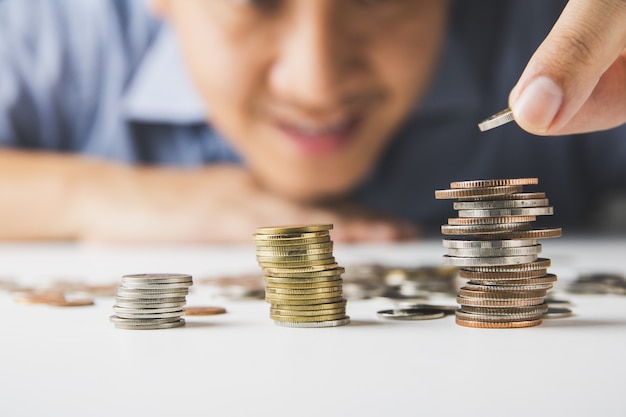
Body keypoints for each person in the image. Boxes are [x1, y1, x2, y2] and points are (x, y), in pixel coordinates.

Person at [0, 0, 624, 243]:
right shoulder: (58, 35)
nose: (316, 85)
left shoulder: (572, 37)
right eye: (256, 4)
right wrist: (97, 196)